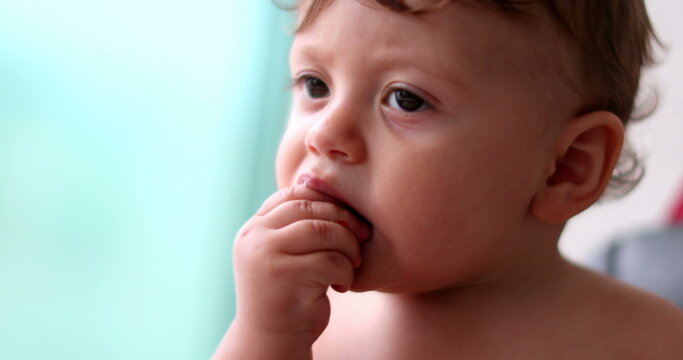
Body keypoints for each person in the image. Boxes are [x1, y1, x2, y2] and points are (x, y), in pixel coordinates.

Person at [214, 0, 683, 358]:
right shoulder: (303, 324)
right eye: (315, 85)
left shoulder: (647, 343)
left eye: (406, 100)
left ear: (567, 167)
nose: (324, 134)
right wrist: (263, 337)